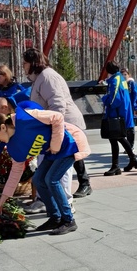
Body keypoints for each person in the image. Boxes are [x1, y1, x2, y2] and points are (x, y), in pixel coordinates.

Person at [0, 107, 90, 235]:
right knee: (38, 179)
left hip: (70, 142)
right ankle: (55, 217)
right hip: (53, 151)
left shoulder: (25, 118)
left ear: (3, 127)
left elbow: (57, 117)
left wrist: (55, 145)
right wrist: (1, 201)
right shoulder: (14, 147)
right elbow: (15, 173)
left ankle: (69, 220)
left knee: (51, 180)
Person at [22, 48, 92, 198]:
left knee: (60, 169)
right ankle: (46, 200)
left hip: (65, 127)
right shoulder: (39, 78)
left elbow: (58, 106)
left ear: (33, 63)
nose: (23, 66)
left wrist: (55, 133)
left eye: (25, 63)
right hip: (55, 128)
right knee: (47, 167)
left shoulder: (47, 77)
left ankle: (65, 201)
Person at [101, 61, 137, 175]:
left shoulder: (115, 80)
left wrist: (105, 99)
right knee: (119, 138)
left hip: (116, 113)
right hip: (121, 112)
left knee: (116, 138)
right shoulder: (120, 78)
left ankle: (117, 165)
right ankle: (130, 160)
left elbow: (115, 99)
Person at [121, 67, 137, 150]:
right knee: (125, 128)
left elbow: (136, 96)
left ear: (129, 75)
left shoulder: (131, 83)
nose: (124, 76)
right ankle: (127, 146)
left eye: (125, 74)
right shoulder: (122, 84)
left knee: (130, 128)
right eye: (122, 75)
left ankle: (130, 146)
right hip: (124, 109)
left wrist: (135, 107)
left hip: (131, 108)